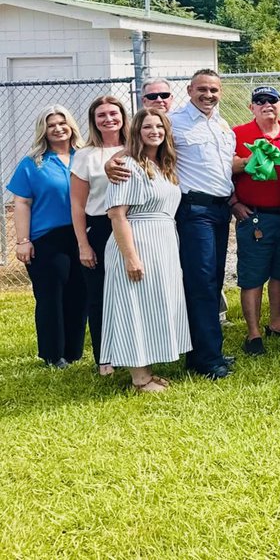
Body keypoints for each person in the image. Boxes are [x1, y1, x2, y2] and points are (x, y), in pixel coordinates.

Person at [101, 109, 192, 392]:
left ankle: (147, 372)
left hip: (162, 242)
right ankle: (139, 380)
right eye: (147, 127)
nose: (154, 132)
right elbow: (117, 215)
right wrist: (131, 257)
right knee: (134, 306)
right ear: (136, 132)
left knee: (152, 305)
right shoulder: (127, 165)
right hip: (137, 242)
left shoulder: (163, 165)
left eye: (159, 127)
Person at [166, 69, 236, 380]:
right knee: (203, 283)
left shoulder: (222, 125)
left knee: (212, 282)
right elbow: (150, 154)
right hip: (194, 211)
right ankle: (208, 360)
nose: (208, 95)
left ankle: (205, 352)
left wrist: (259, 158)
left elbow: (223, 167)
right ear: (189, 89)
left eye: (214, 90)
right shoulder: (174, 123)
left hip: (221, 211)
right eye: (202, 89)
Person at [7, 105, 86, 369]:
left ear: (71, 125)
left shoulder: (84, 156)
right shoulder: (33, 163)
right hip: (48, 238)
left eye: (62, 122)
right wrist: (23, 240)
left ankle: (74, 352)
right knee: (51, 296)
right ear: (43, 130)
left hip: (82, 235)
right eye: (51, 124)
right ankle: (53, 355)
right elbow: (21, 203)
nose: (58, 128)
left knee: (79, 294)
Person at [230, 86, 280, 355]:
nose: (266, 104)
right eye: (260, 101)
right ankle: (254, 334)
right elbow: (222, 168)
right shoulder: (237, 134)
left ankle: (277, 323)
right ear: (251, 107)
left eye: (272, 100)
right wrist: (233, 203)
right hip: (254, 216)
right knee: (253, 277)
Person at [70, 96, 130, 375]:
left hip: (134, 225)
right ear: (94, 121)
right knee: (100, 295)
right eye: (101, 115)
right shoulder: (85, 155)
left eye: (113, 113)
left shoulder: (136, 148)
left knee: (131, 293)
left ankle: (131, 351)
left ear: (123, 116)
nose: (108, 119)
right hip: (101, 227)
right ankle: (104, 356)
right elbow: (78, 205)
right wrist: (83, 244)